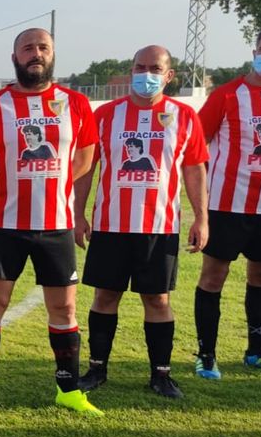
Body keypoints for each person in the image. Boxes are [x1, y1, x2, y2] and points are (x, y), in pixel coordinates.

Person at [0, 27, 100, 416]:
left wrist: (56, 189)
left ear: (52, 55)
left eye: (43, 47)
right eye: (28, 48)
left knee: (65, 310)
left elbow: (87, 155)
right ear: (15, 58)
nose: (35, 53)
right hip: (4, 225)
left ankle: (69, 389)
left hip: (56, 224)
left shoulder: (74, 103)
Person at [71, 46, 209, 399]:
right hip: (111, 225)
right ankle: (96, 370)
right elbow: (87, 167)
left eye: (154, 68)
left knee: (158, 300)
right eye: (139, 67)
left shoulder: (184, 116)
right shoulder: (105, 116)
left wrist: (201, 217)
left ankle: (160, 375)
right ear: (131, 70)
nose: (145, 74)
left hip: (159, 227)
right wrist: (79, 213)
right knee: (105, 296)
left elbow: (194, 169)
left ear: (168, 75)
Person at [192, 27, 261, 379]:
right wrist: (205, 201)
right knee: (213, 277)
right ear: (253, 51)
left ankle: (257, 352)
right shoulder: (226, 95)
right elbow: (198, 150)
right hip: (227, 204)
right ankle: (206, 355)